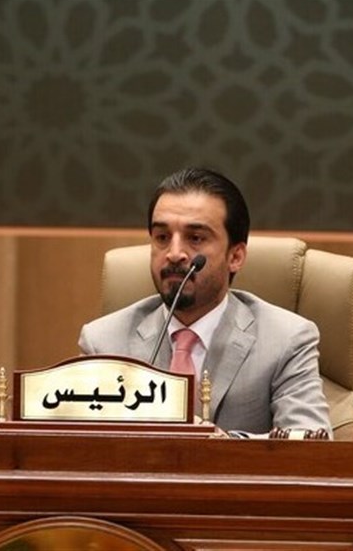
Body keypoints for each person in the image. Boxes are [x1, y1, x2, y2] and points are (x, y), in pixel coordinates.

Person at [78, 167, 332, 438]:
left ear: (235, 257)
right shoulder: (103, 343)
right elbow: (77, 447)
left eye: (196, 238)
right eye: (162, 237)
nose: (174, 253)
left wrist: (218, 445)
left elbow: (310, 442)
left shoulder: (286, 340)